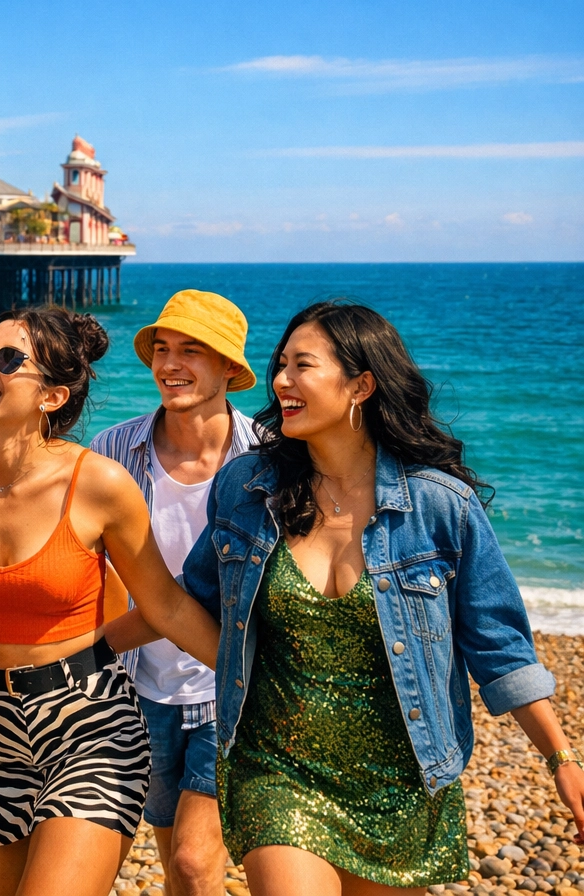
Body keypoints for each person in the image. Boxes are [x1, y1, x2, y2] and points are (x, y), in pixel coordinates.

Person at [182, 301, 584, 894]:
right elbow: (189, 600)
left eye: (302, 366)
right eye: (281, 364)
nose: (281, 381)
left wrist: (562, 761)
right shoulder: (248, 487)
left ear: (361, 386)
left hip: (402, 779)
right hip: (278, 768)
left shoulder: (440, 506)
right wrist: (87, 640)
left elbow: (500, 648)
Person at [0, 307, 221, 896]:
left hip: (90, 720)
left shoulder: (99, 484)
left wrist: (262, 683)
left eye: (9, 358)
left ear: (52, 396)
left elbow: (166, 606)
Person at [92, 290, 258, 896]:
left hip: (232, 688)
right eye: (162, 349)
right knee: (174, 862)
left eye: (191, 350)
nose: (170, 364)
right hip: (138, 687)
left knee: (193, 860)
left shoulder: (270, 457)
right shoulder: (111, 450)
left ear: (229, 368)